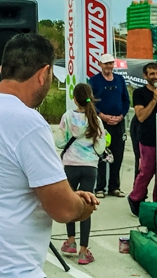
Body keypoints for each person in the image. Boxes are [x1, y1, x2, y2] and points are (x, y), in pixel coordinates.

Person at [0, 33, 98, 277]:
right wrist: (82, 206)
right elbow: (63, 210)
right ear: (44, 73)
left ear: (2, 69)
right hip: (7, 269)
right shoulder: (28, 122)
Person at [55, 83, 107, 266]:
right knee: (86, 208)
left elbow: (60, 142)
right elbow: (101, 146)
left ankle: (70, 242)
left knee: (70, 203)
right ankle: (84, 251)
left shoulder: (68, 117)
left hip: (70, 165)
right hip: (90, 166)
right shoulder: (96, 120)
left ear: (74, 99)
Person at [128, 63, 157, 216]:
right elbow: (141, 117)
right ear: (145, 76)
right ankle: (135, 198)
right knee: (146, 171)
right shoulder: (139, 93)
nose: (155, 77)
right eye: (152, 74)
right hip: (147, 139)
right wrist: (154, 100)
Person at [88, 53, 129, 198]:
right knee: (101, 154)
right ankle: (100, 187)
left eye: (111, 63)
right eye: (106, 63)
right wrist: (101, 116)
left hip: (118, 123)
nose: (108, 66)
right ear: (100, 64)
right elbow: (89, 101)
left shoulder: (120, 79)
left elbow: (126, 100)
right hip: (101, 124)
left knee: (117, 155)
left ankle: (114, 187)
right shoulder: (93, 81)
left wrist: (121, 116)